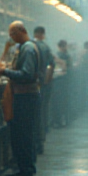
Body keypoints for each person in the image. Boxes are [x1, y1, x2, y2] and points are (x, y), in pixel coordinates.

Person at [0, 21, 42, 176]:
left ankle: (26, 170)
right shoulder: (22, 48)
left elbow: (27, 74)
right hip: (23, 96)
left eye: (13, 35)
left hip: (26, 97)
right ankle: (25, 167)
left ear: (21, 31)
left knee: (23, 134)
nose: (12, 39)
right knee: (21, 134)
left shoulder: (28, 49)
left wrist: (5, 72)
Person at [32, 26, 55, 155]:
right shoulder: (46, 47)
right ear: (43, 34)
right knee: (43, 111)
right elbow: (52, 64)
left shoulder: (31, 46)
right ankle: (41, 140)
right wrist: (47, 79)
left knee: (36, 114)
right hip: (44, 84)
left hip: (34, 85)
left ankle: (37, 143)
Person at [52, 40, 72, 128]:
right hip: (65, 80)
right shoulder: (67, 55)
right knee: (63, 101)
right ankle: (64, 120)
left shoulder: (58, 56)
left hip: (59, 80)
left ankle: (59, 120)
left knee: (58, 101)